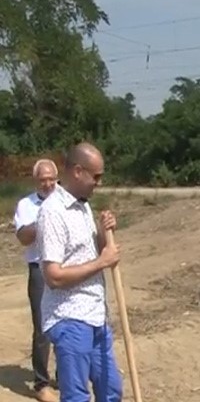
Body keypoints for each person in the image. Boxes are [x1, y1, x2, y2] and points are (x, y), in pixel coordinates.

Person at [35, 142, 123, 402]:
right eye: (96, 176)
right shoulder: (52, 212)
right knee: (76, 396)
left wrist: (103, 234)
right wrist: (102, 262)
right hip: (70, 318)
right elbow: (53, 276)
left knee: (111, 390)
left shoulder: (82, 205)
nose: (99, 182)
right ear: (77, 172)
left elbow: (89, 253)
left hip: (95, 315)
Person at [13, 159, 60, 402]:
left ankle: (64, 375)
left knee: (66, 322)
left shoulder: (66, 200)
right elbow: (23, 237)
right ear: (35, 181)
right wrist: (44, 217)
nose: (48, 183)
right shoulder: (26, 205)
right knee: (42, 326)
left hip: (65, 268)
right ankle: (41, 383)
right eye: (43, 179)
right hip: (39, 269)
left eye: (51, 179)